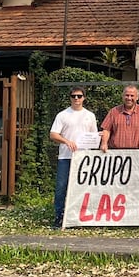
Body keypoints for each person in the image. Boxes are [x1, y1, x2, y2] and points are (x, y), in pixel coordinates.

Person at [49, 86, 98, 228]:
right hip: (66, 157)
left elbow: (93, 136)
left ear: (84, 98)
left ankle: (80, 215)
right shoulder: (62, 115)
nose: (76, 98)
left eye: (79, 96)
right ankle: (59, 216)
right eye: (73, 96)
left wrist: (98, 139)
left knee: (83, 187)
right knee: (61, 187)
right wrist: (66, 141)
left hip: (84, 158)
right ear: (70, 98)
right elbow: (53, 134)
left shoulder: (90, 115)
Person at [100, 85, 139, 151]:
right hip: (116, 152)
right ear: (122, 96)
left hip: (136, 152)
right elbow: (106, 129)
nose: (129, 98)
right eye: (127, 95)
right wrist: (104, 143)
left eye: (132, 96)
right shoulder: (114, 111)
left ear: (137, 97)